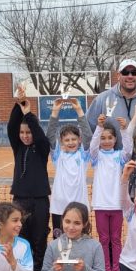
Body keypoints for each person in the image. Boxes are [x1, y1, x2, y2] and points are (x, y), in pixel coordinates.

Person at [8, 86, 51, 271]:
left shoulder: (41, 148)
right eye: (22, 132)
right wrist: (19, 103)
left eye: (28, 132)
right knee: (22, 238)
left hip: (40, 200)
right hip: (20, 201)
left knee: (39, 238)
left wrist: (29, 113)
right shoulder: (17, 147)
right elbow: (11, 126)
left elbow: (40, 136)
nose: (25, 136)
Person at [86, 58, 136, 150]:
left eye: (134, 72)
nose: (130, 76)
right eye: (125, 72)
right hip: (113, 162)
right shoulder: (102, 99)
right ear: (118, 75)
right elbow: (87, 129)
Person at [90, 113, 131, 271]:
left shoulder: (120, 156)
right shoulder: (96, 156)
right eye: (103, 138)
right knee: (103, 240)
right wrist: (99, 127)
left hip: (116, 205)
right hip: (100, 205)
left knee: (115, 239)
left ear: (115, 140)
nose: (106, 141)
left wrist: (124, 130)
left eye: (110, 138)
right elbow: (92, 146)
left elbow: (129, 150)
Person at [46, 98, 93, 231]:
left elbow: (88, 136)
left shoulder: (83, 156)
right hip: (59, 206)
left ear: (79, 140)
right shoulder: (58, 156)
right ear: (61, 141)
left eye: (74, 139)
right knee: (60, 240)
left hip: (80, 205)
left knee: (80, 240)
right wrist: (55, 111)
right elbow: (50, 135)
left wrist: (79, 110)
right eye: (67, 140)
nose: (71, 142)